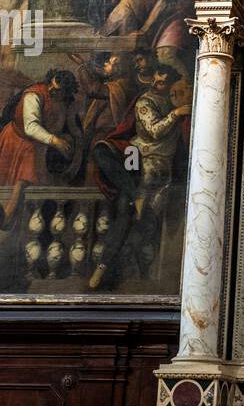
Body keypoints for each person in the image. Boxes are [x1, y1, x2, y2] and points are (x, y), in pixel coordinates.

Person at [90, 63, 190, 288]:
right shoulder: (146, 101)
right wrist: (176, 114)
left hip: (157, 162)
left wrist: (180, 110)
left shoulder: (180, 101)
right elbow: (154, 130)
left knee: (126, 208)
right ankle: (135, 193)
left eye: (162, 82)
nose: (155, 84)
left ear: (172, 84)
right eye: (154, 80)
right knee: (101, 150)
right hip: (134, 154)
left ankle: (103, 267)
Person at [0, 68, 80, 227]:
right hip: (17, 141)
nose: (51, 90)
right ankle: (6, 219)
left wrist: (70, 138)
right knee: (21, 180)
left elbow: (71, 127)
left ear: (65, 92)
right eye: (51, 85)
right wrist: (55, 140)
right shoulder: (34, 95)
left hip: (39, 146)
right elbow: (30, 127)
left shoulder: (66, 102)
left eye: (57, 90)